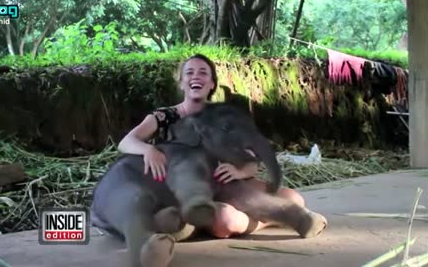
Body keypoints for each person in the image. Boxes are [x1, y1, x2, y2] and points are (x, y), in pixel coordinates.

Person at [117, 53, 306, 239]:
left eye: (203, 73)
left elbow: (251, 161)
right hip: (184, 191)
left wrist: (239, 172)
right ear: (181, 82)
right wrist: (148, 150)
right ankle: (255, 220)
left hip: (226, 186)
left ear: (212, 84)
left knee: (294, 199)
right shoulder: (163, 116)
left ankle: (264, 219)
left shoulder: (222, 116)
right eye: (189, 73)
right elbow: (126, 142)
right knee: (226, 220)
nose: (196, 77)